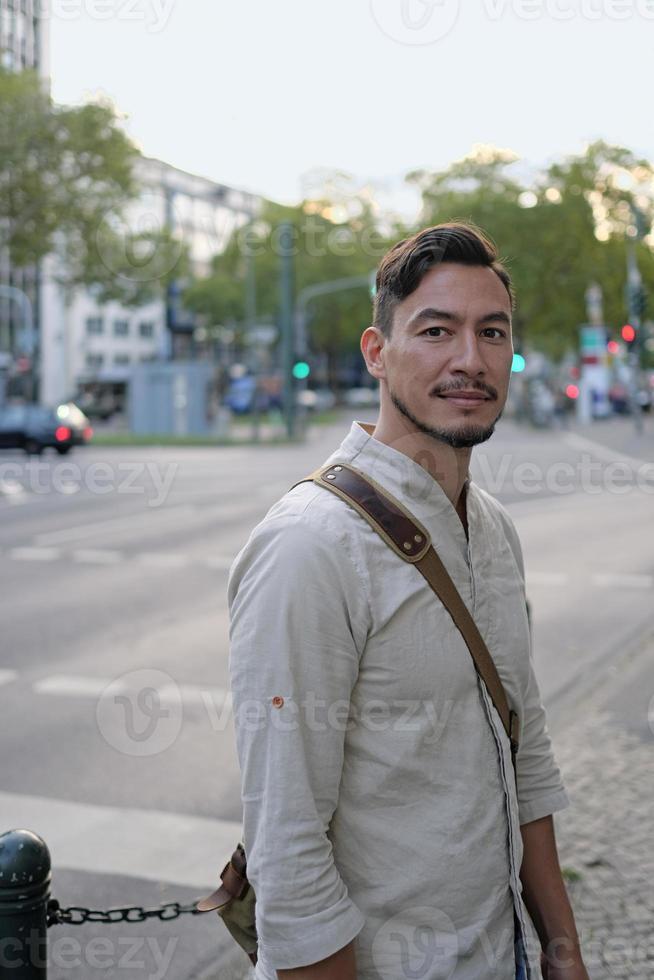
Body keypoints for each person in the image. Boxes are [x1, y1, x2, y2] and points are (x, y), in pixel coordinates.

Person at [227, 223, 589, 980]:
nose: (470, 359)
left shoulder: (492, 528)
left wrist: (563, 950)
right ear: (376, 352)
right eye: (435, 331)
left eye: (492, 333)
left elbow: (526, 757)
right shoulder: (311, 545)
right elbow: (287, 849)